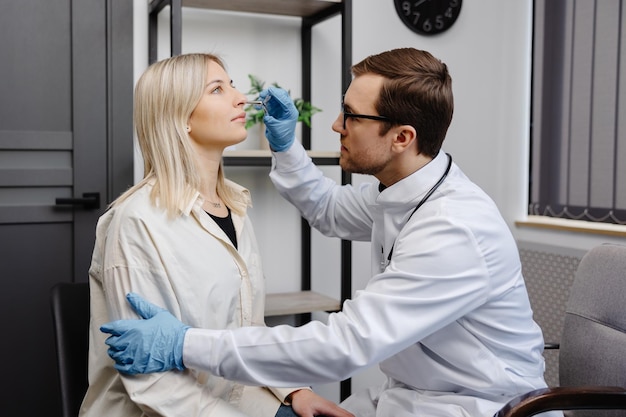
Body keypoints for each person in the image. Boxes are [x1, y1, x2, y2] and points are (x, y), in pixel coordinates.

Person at [101, 48, 555, 417]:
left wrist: (187, 346)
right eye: (218, 88)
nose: (336, 125)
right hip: (415, 395)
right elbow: (326, 207)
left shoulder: (456, 227)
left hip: (480, 406)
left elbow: (343, 343)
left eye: (350, 115)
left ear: (402, 138)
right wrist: (285, 145)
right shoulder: (398, 194)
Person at [79, 52, 353, 417]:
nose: (240, 98)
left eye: (234, 86)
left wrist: (294, 391)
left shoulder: (234, 207)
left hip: (229, 395)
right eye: (217, 89)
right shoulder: (137, 221)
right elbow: (153, 383)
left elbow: (247, 327)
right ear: (181, 118)